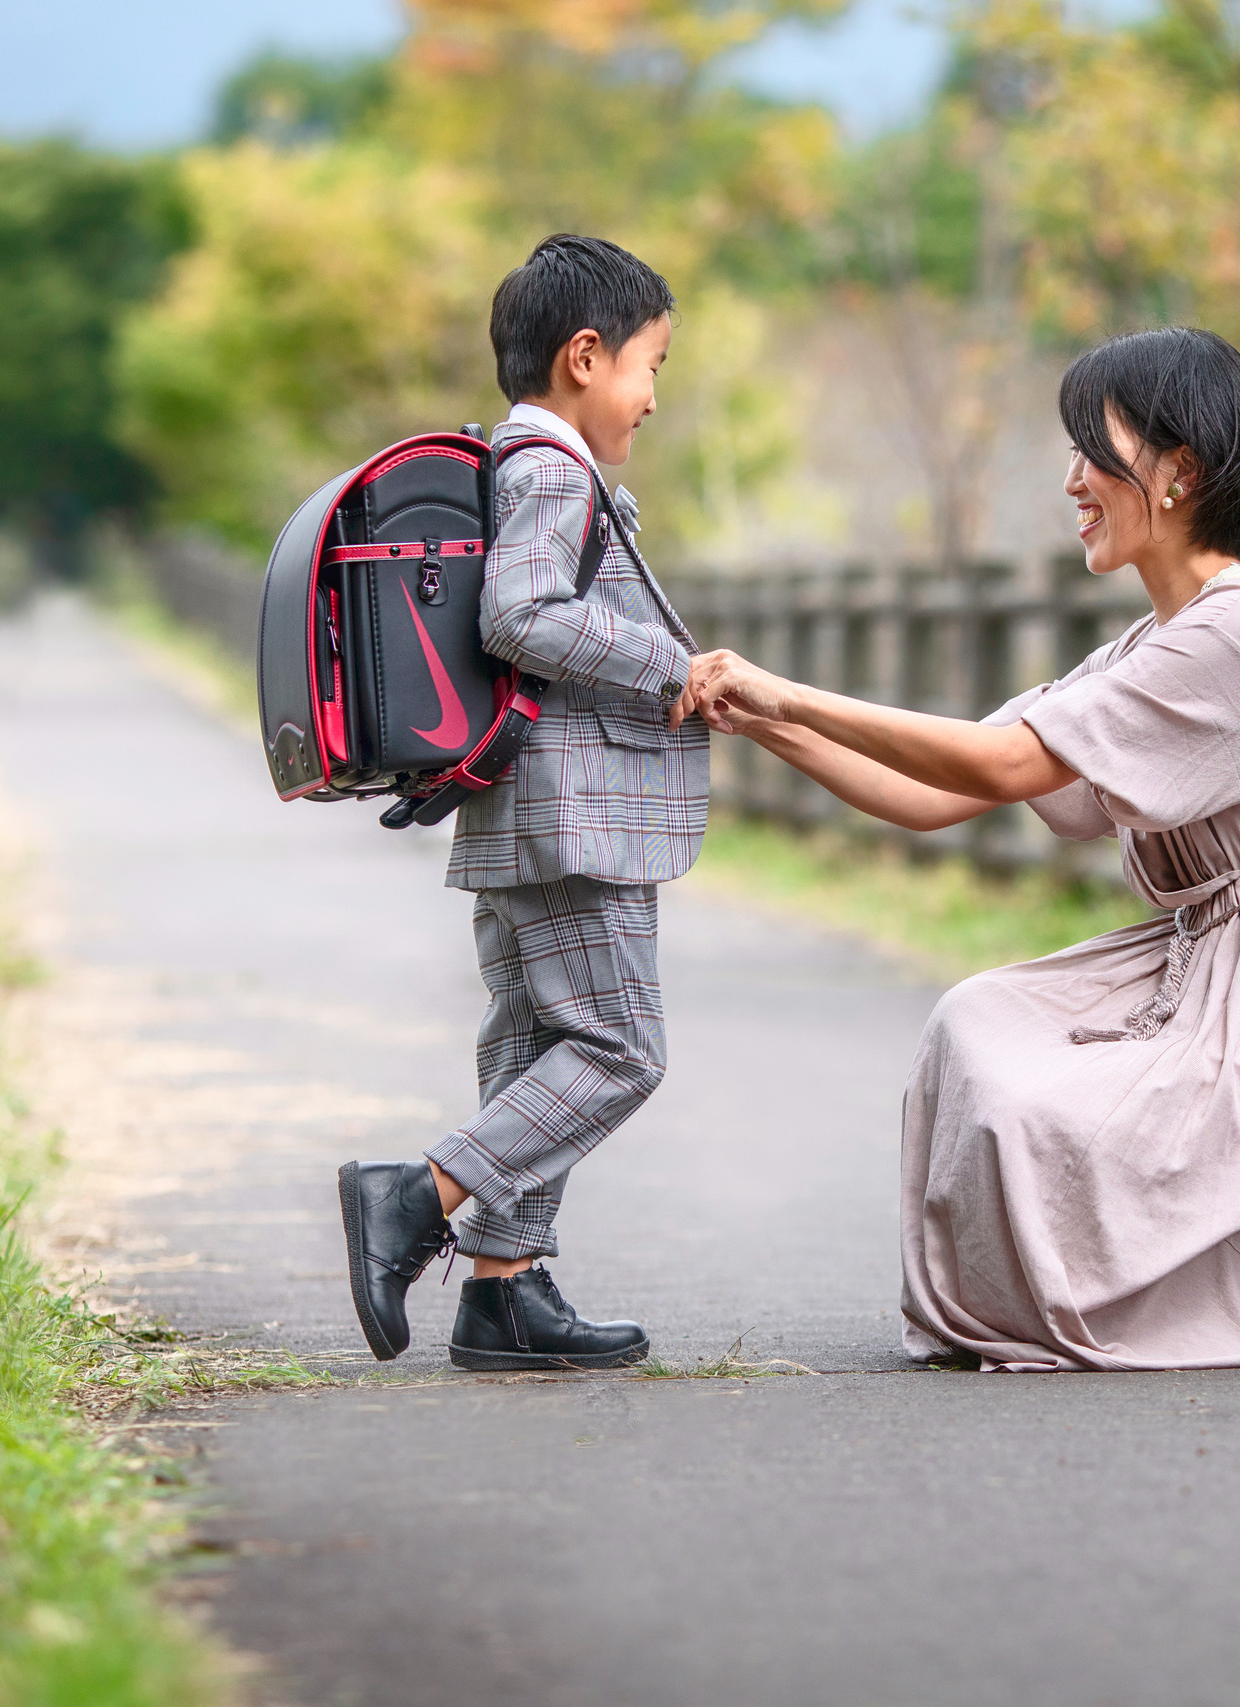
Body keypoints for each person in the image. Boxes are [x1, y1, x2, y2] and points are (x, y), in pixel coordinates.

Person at [684, 327, 1240, 1370]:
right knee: (979, 1024)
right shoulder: (1147, 651)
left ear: (1181, 470)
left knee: (1035, 1107)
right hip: (1208, 969)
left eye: (1094, 448)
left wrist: (789, 688)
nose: (1071, 479)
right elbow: (928, 795)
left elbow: (1000, 765)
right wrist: (761, 721)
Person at [338, 235, 708, 1371]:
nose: (652, 397)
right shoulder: (553, 469)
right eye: (650, 366)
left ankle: (504, 1291)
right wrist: (670, 666)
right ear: (585, 357)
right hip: (574, 814)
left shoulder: (525, 461)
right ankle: (418, 1192)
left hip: (524, 809)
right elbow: (523, 615)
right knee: (619, 1050)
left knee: (535, 1042)